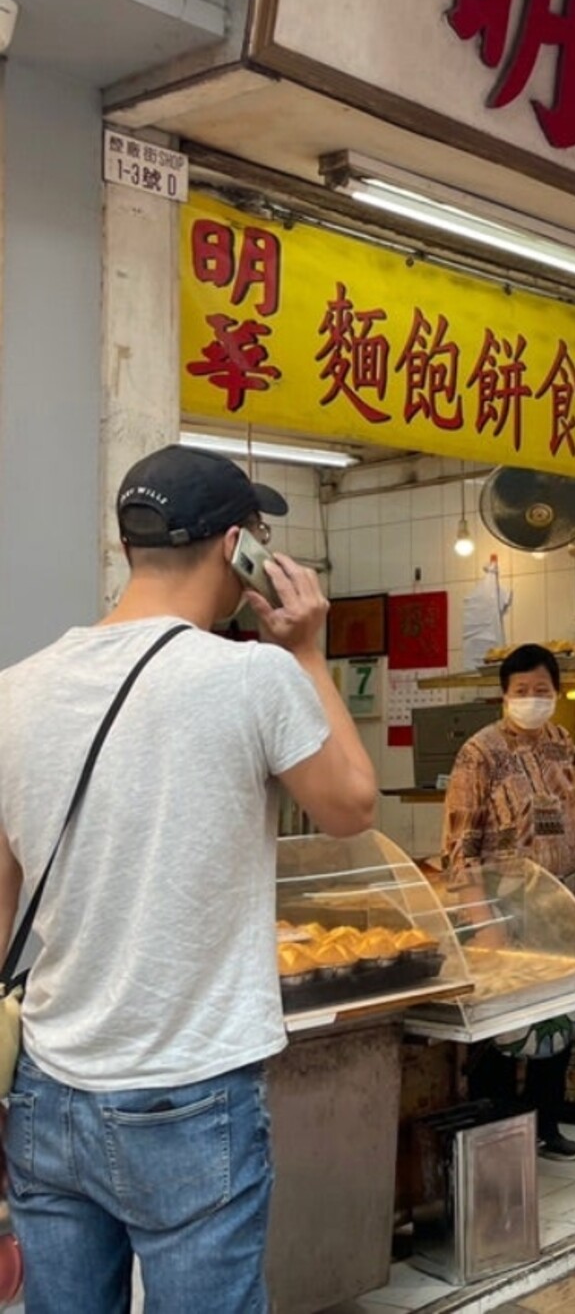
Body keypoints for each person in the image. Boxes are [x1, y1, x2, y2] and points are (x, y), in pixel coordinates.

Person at [0, 445, 378, 1310]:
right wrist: (310, 652)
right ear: (236, 546)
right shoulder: (253, 676)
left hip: (49, 1088)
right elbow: (353, 805)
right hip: (189, 1093)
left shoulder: (13, 691)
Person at [443, 643, 575, 1163]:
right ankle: (497, 1131)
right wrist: (481, 919)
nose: (532, 700)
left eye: (542, 691)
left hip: (561, 905)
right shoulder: (479, 753)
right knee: (504, 1026)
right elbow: (459, 847)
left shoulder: (562, 743)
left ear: (557, 694)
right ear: (503, 695)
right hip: (502, 907)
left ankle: (547, 1125)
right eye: (522, 692)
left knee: (558, 1017)